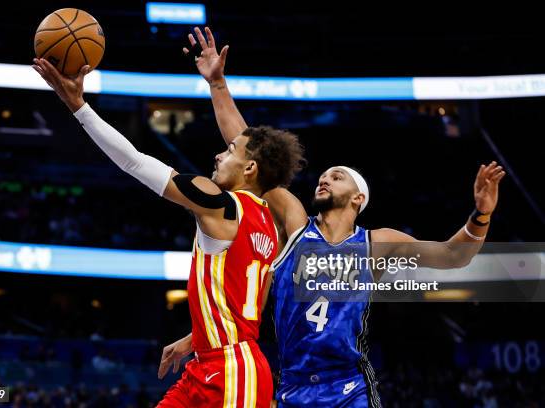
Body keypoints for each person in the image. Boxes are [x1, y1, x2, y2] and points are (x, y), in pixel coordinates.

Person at [160, 27, 505, 407]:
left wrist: (481, 214)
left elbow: (453, 256)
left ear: (358, 197)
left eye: (336, 177)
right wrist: (218, 84)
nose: (324, 178)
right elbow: (247, 152)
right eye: (324, 175)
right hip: (291, 386)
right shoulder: (295, 225)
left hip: (347, 387)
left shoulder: (375, 243)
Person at [31, 57, 305, 408]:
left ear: (250, 168)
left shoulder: (220, 202)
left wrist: (78, 106)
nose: (219, 155)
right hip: (212, 362)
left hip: (234, 372)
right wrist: (196, 338)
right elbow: (249, 305)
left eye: (230, 150)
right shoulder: (270, 224)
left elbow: (134, 161)